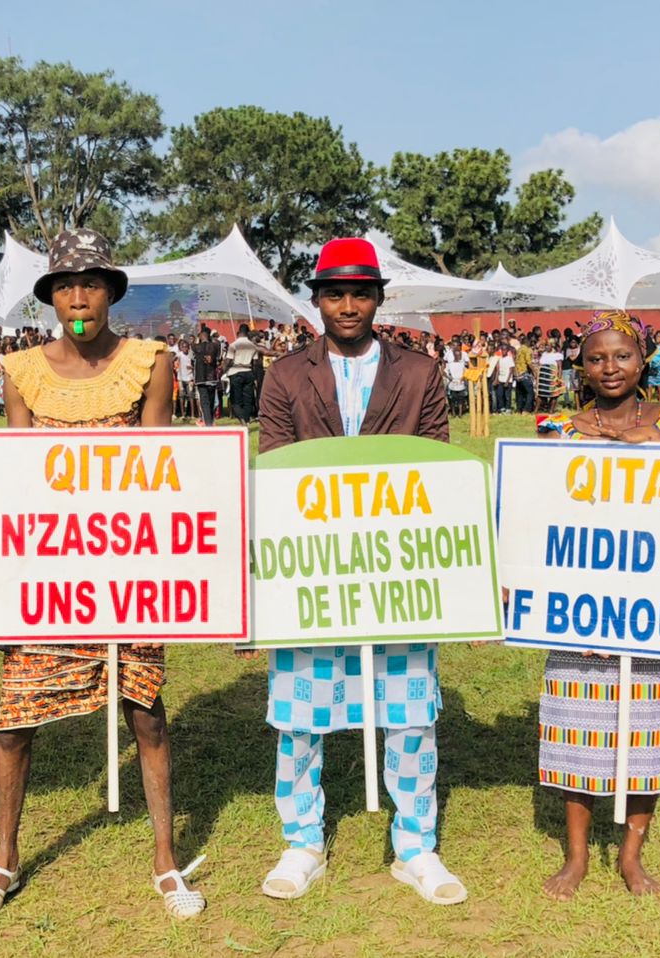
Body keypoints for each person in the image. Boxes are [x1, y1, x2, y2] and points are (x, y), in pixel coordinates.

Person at [0, 229, 204, 920]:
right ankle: (5, 856)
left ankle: (164, 859)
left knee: (147, 714)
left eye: (91, 284)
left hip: (130, 564)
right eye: (66, 285)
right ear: (50, 296)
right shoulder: (20, 371)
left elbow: (164, 470)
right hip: (47, 567)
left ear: (110, 293)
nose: (78, 298)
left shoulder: (150, 363)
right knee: (15, 719)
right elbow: (14, 482)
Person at [256, 237, 465, 906]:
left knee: (408, 711)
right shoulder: (286, 373)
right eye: (335, 293)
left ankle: (416, 847)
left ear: (380, 298)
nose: (348, 304)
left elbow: (436, 460)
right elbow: (274, 466)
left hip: (395, 563)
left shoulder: (418, 371)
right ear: (317, 300)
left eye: (361, 292)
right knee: (300, 712)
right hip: (312, 570)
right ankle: (303, 841)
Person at [535, 309, 660, 901]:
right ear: (581, 364)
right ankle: (576, 857)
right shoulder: (557, 426)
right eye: (597, 356)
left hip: (655, 600)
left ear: (643, 359)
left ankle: (631, 857)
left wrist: (653, 445)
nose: (610, 367)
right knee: (577, 724)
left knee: (649, 728)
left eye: (622, 355)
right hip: (581, 599)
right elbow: (538, 503)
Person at [223, 323, 259, 423]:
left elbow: (228, 361)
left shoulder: (233, 345)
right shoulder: (253, 346)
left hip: (236, 373)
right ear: (248, 333)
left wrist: (224, 370)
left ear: (239, 332)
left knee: (236, 400)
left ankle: (242, 419)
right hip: (248, 372)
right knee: (248, 400)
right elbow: (255, 363)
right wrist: (255, 376)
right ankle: (246, 421)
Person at [192, 326, 220, 427]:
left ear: (201, 335)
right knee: (211, 401)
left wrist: (196, 339)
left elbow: (193, 346)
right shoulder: (216, 346)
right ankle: (211, 421)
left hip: (200, 378)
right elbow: (218, 358)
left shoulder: (195, 347)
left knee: (204, 402)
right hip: (212, 376)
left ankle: (208, 423)